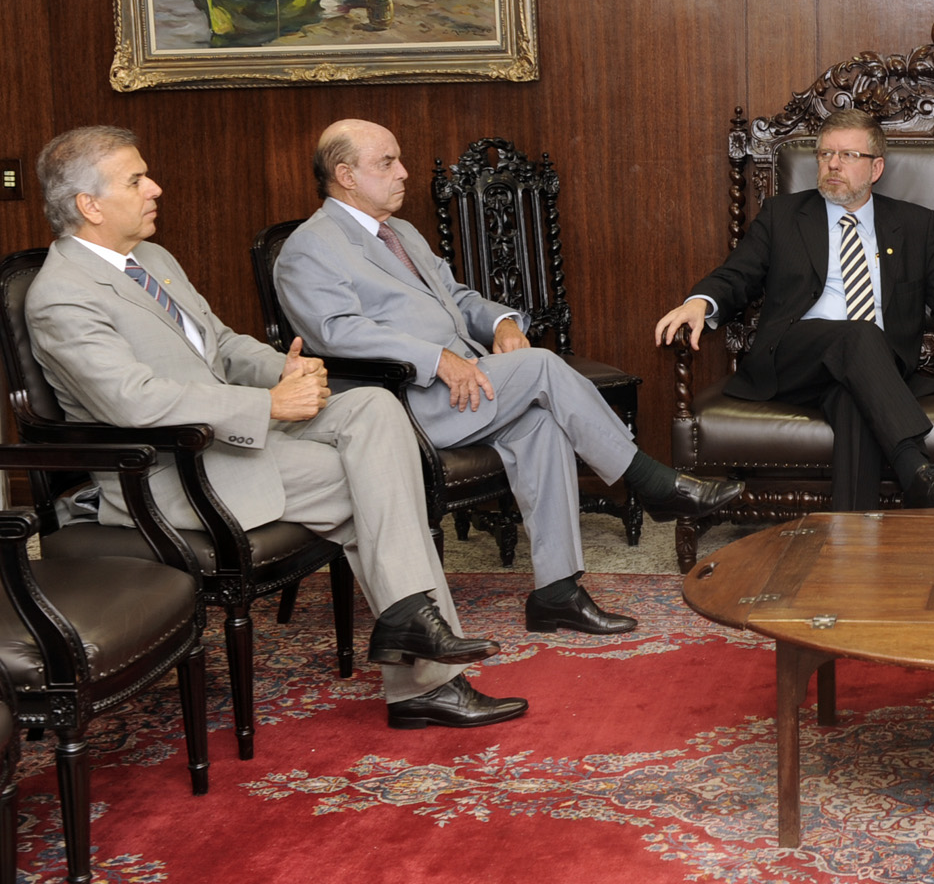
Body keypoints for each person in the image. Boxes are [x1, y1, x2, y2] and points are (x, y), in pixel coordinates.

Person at [25, 126, 524, 730]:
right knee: (373, 481)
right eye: (137, 180)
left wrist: (291, 371)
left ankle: (410, 630)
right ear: (89, 204)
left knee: (370, 406)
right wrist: (268, 407)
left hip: (231, 439)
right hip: (170, 473)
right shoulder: (61, 296)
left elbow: (223, 344)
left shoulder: (151, 259)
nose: (156, 188)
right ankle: (424, 670)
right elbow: (135, 401)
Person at [275, 120, 744, 637]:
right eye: (387, 163)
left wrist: (500, 322)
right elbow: (338, 334)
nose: (404, 172)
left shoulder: (400, 232)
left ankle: (556, 593)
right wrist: (438, 359)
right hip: (401, 403)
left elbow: (457, 298)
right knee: (543, 366)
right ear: (345, 175)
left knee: (540, 423)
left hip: (464, 387)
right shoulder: (309, 248)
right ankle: (651, 483)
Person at [653, 110, 934, 510]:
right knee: (858, 333)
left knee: (852, 396)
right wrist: (701, 301)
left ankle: (850, 547)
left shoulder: (915, 226)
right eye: (825, 155)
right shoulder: (783, 217)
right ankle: (916, 468)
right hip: (793, 358)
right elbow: (738, 274)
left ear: (876, 168)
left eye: (847, 156)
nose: (833, 164)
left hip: (874, 369)